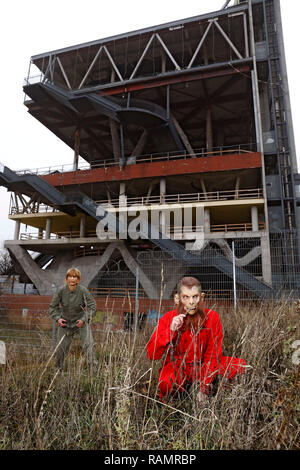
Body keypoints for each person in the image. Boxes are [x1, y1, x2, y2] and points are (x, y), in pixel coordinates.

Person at [146, 276, 247, 404]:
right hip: (179, 368)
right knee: (165, 382)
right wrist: (170, 331)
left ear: (202, 297)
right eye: (186, 297)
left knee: (240, 366)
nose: (191, 302)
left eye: (195, 296)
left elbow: (212, 355)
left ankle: (222, 396)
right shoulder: (168, 318)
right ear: (177, 299)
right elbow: (152, 354)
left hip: (204, 366)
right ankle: (173, 403)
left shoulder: (212, 317)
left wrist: (204, 387)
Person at [49, 267, 97, 371]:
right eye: (70, 276)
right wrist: (58, 319)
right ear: (66, 279)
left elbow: (92, 306)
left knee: (89, 344)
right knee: (61, 348)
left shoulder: (83, 290)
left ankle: (93, 371)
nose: (72, 278)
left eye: (75, 276)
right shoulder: (61, 291)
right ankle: (57, 370)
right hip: (65, 323)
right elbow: (52, 307)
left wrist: (84, 319)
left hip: (81, 322)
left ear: (78, 279)